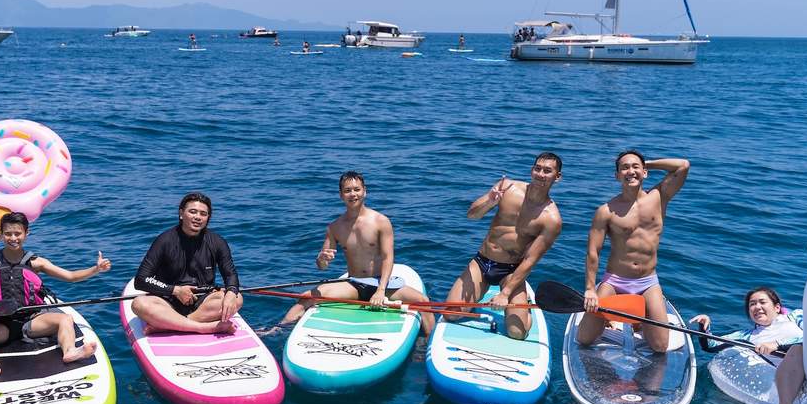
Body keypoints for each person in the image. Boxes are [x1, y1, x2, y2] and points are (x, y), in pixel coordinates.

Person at [274, 171, 435, 334]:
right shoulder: (335, 227)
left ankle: (426, 343)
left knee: (423, 301)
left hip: (382, 284)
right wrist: (321, 259)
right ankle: (276, 329)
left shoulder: (381, 221)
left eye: (357, 189)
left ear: (365, 191)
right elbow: (322, 266)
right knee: (306, 298)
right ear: (341, 195)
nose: (353, 194)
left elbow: (388, 257)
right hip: (355, 283)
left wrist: (380, 290)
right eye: (347, 190)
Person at [0, 212, 110, 381]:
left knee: (65, 319)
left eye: (18, 233)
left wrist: (95, 269)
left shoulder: (36, 262)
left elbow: (71, 277)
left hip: (30, 323)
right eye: (8, 233)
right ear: (1, 234)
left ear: (26, 233)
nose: (13, 238)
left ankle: (70, 351)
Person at [442, 152, 564, 340]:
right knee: (451, 314)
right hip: (482, 262)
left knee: (517, 334)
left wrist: (505, 294)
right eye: (537, 168)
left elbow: (531, 260)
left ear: (557, 177)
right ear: (532, 170)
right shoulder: (508, 188)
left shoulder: (551, 219)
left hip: (511, 271)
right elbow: (472, 215)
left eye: (547, 171)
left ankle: (524, 305)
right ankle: (482, 292)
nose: (540, 174)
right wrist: (489, 202)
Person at [577, 150, 690, 353]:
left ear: (645, 172)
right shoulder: (606, 211)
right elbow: (593, 252)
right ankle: (619, 319)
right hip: (614, 281)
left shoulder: (659, 197)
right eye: (624, 168)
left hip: (647, 282)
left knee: (660, 347)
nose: (630, 171)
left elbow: (682, 165)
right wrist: (590, 289)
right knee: (584, 338)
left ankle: (638, 321)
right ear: (617, 175)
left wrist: (645, 163)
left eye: (635, 167)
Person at [131, 192, 242, 334]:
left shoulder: (217, 242)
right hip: (167, 301)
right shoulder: (164, 240)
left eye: (203, 214)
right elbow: (141, 280)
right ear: (181, 214)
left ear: (208, 218)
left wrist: (231, 293)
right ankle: (204, 328)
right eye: (192, 212)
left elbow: (230, 274)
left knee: (237, 298)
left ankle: (169, 324)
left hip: (203, 302)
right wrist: (175, 290)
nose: (197, 217)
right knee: (139, 304)